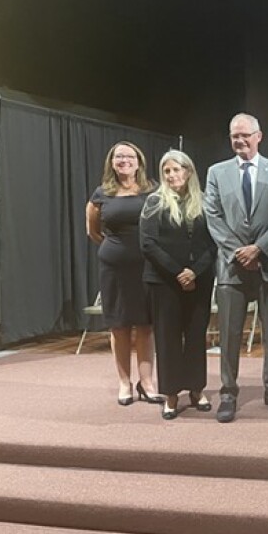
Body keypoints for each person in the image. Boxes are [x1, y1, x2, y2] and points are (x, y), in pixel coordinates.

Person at [204, 113, 268, 423]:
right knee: (229, 336)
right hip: (232, 268)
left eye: (245, 135)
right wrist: (238, 252)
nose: (239, 140)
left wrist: (259, 248)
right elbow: (213, 217)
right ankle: (228, 393)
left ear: (259, 136)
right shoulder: (216, 172)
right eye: (234, 136)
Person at [86, 141, 163, 406]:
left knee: (146, 325)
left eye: (129, 156)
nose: (124, 160)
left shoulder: (152, 189)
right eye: (119, 156)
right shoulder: (102, 193)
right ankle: (124, 383)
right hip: (115, 268)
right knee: (119, 326)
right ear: (112, 162)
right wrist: (115, 248)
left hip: (147, 266)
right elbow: (93, 231)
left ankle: (147, 382)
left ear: (139, 161)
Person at [140, 150, 216, 420]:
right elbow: (148, 244)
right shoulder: (154, 202)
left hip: (200, 280)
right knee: (168, 338)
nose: (172, 175)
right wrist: (178, 273)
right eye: (167, 171)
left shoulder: (205, 201)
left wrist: (194, 272)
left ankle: (196, 389)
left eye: (177, 169)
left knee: (196, 336)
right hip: (164, 282)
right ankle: (171, 394)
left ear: (189, 171)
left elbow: (214, 243)